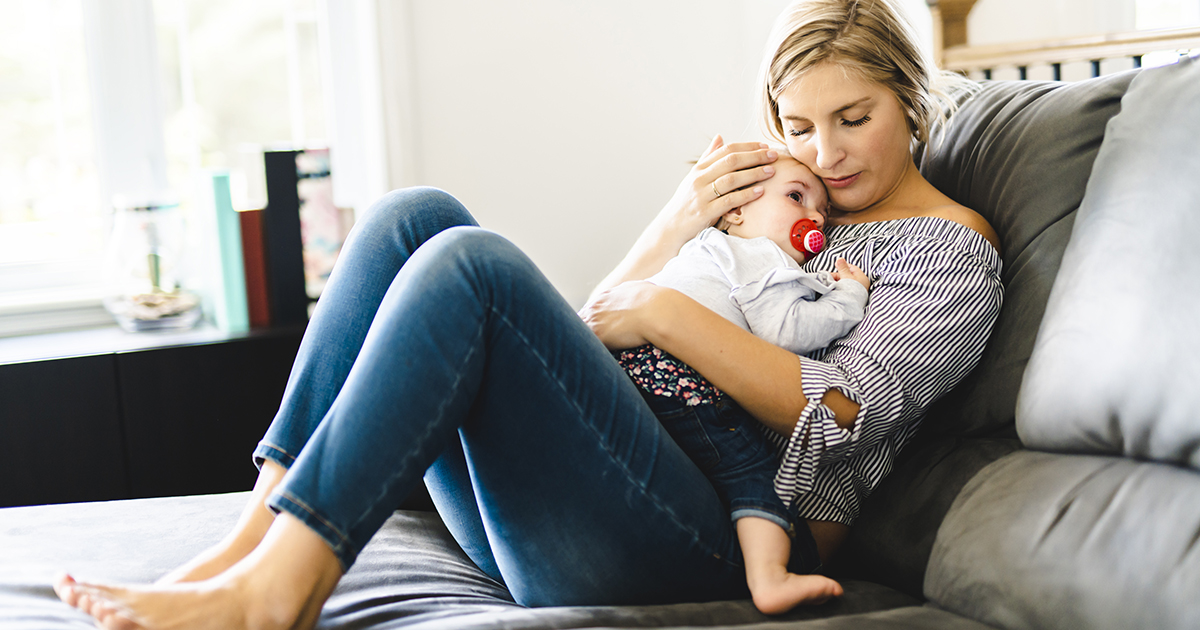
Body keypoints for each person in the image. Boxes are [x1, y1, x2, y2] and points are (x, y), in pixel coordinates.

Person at [53, 1, 1003, 628]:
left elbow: (842, 411)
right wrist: (679, 220)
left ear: (910, 104)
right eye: (799, 126)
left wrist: (668, 314)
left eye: (854, 117)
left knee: (475, 265)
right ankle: (253, 548)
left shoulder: (955, 250)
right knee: (410, 217)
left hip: (732, 536)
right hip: (611, 499)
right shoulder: (786, 202)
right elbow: (601, 324)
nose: (826, 153)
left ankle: (283, 594)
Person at [620, 152, 871, 614]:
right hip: (681, 378)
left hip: (628, 369)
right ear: (736, 210)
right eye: (796, 197)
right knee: (752, 471)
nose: (814, 216)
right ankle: (770, 576)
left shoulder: (701, 250)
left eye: (823, 211)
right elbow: (786, 332)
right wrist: (850, 294)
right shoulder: (761, 256)